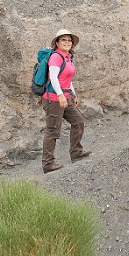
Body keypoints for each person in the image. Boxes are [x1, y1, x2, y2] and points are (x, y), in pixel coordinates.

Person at [42, 29, 91, 173]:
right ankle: (47, 164)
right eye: (63, 40)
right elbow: (53, 77)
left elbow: (67, 79)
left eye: (69, 40)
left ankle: (76, 152)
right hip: (53, 99)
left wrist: (72, 94)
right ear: (57, 43)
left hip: (65, 97)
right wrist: (60, 95)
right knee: (52, 131)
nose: (67, 42)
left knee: (78, 121)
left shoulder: (68, 57)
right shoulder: (56, 57)